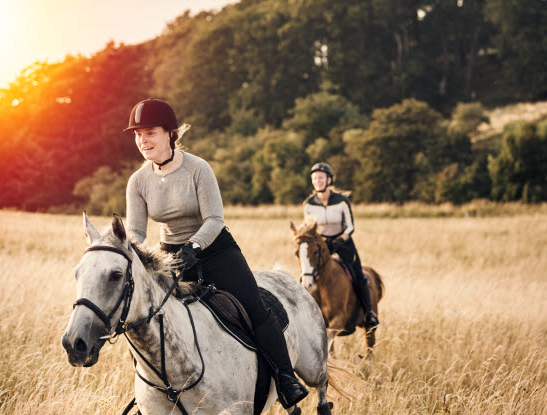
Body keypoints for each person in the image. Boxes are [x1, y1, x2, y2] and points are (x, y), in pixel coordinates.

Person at [123, 98, 308, 409]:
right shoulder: (138, 181)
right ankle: (154, 392)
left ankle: (286, 378)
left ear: (170, 134)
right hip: (171, 257)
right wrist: (131, 252)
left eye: (150, 132)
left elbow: (214, 219)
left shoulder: (198, 168)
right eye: (138, 134)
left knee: (254, 307)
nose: (143, 140)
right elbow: (137, 234)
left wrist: (195, 246)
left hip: (215, 250)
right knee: (146, 318)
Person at [302, 162, 379, 329]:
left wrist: (340, 239)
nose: (318, 181)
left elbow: (350, 226)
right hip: (321, 246)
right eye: (315, 178)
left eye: (321, 178)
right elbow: (308, 229)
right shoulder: (309, 204)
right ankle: (306, 316)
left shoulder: (342, 201)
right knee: (306, 276)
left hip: (343, 243)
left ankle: (368, 313)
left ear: (329, 180)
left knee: (359, 275)